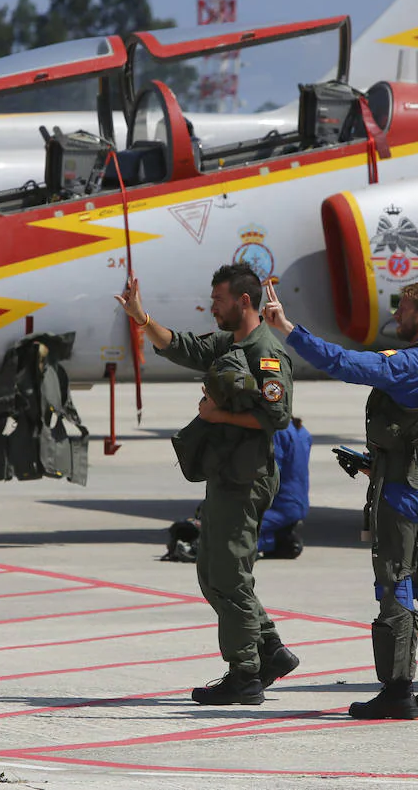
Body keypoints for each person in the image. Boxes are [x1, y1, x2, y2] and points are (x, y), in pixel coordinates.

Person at [263, 280, 418, 721]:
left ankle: (398, 690)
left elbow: (346, 364)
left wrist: (285, 328)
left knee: (395, 581)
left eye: (404, 310)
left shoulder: (413, 363)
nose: (396, 317)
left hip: (399, 489)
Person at [116, 263, 300, 705]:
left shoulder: (265, 352)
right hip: (226, 474)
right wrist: (142, 319)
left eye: (217, 300)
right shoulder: (228, 344)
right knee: (213, 573)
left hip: (247, 477)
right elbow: (180, 346)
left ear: (242, 301)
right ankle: (269, 648)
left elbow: (277, 416)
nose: (211, 306)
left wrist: (217, 416)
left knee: (229, 576)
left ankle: (245, 675)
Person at [260, 416, 311, 558]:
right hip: (297, 504)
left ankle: (271, 540)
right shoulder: (301, 431)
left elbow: (270, 473)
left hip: (280, 507)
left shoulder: (277, 432)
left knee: (233, 530)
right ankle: (277, 538)